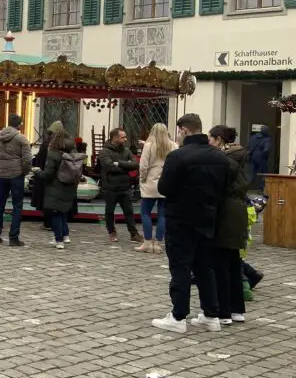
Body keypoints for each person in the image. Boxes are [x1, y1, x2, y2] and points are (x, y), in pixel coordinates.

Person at [152, 114, 232, 334]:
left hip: (181, 220)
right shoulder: (220, 158)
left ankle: (178, 316)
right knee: (205, 267)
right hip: (208, 218)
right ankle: (210, 314)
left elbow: (164, 188)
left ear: (184, 130)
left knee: (181, 266)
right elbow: (225, 189)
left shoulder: (178, 157)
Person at [209, 125, 250, 325]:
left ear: (218, 140)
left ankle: (223, 311)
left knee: (221, 264)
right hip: (238, 212)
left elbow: (217, 188)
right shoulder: (238, 157)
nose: (208, 142)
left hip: (225, 213)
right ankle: (237, 309)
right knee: (233, 262)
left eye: (210, 138)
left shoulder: (224, 161)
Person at [0, 114, 31, 246]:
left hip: (2, 174)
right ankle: (14, 238)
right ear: (19, 125)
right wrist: (24, 171)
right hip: (16, 175)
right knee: (17, 206)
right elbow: (27, 159)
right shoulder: (21, 139)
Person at [37, 134, 84, 249]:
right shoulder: (75, 156)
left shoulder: (53, 155)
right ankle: (66, 235)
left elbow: (48, 174)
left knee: (56, 213)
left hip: (55, 187)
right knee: (62, 212)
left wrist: (38, 172)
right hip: (69, 187)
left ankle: (59, 240)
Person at [99, 128, 144, 244]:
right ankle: (111, 232)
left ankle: (133, 234)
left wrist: (119, 163)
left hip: (125, 186)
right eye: (123, 137)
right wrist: (126, 167)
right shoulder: (104, 151)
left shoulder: (126, 150)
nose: (125, 139)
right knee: (109, 211)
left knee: (129, 211)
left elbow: (135, 164)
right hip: (110, 186)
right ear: (115, 137)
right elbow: (109, 167)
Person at [138, 123, 175, 253]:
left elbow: (143, 166)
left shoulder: (149, 146)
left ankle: (147, 242)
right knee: (163, 215)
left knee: (145, 212)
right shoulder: (173, 145)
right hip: (167, 183)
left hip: (150, 182)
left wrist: (142, 178)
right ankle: (158, 243)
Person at [247, 124, 272, 190]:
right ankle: (262, 187)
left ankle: (248, 186)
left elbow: (249, 147)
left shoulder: (252, 137)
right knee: (264, 173)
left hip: (252, 157)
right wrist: (264, 157)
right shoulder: (267, 139)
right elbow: (267, 150)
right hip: (261, 157)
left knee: (252, 172)